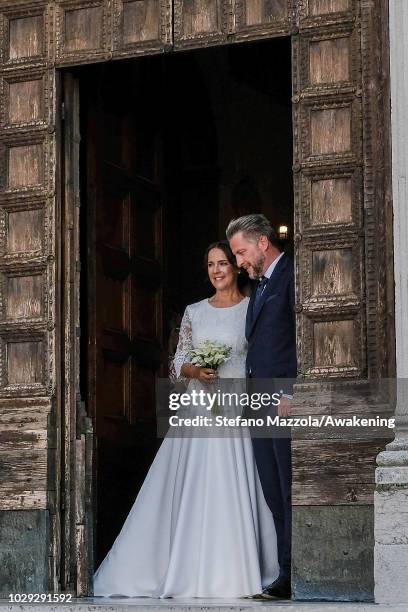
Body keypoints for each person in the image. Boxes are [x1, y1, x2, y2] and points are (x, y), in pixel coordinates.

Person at [93, 240, 279, 598]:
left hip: (236, 408)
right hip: (198, 411)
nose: (217, 270)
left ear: (236, 266)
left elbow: (262, 357)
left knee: (235, 484)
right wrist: (197, 369)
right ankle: (188, 567)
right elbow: (178, 363)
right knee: (194, 488)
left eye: (223, 262)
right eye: (211, 264)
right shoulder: (195, 311)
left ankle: (238, 569)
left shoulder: (251, 309)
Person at [227, 214, 297, 600]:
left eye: (241, 252)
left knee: (287, 490)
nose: (239, 262)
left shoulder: (291, 276)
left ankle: (291, 575)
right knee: (272, 492)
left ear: (263, 243)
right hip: (258, 404)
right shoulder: (259, 287)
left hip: (282, 402)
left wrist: (291, 392)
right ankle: (285, 574)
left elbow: (303, 338)